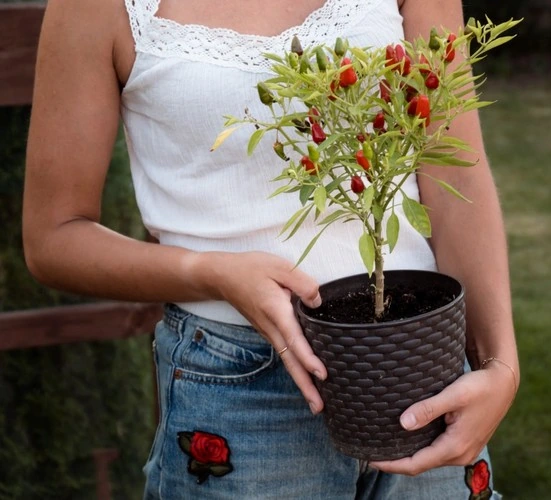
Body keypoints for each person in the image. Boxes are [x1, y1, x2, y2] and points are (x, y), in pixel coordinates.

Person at [23, 0, 519, 497]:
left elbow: (454, 170)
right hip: (239, 382)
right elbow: (55, 237)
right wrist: (211, 273)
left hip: (421, 364)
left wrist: (500, 365)